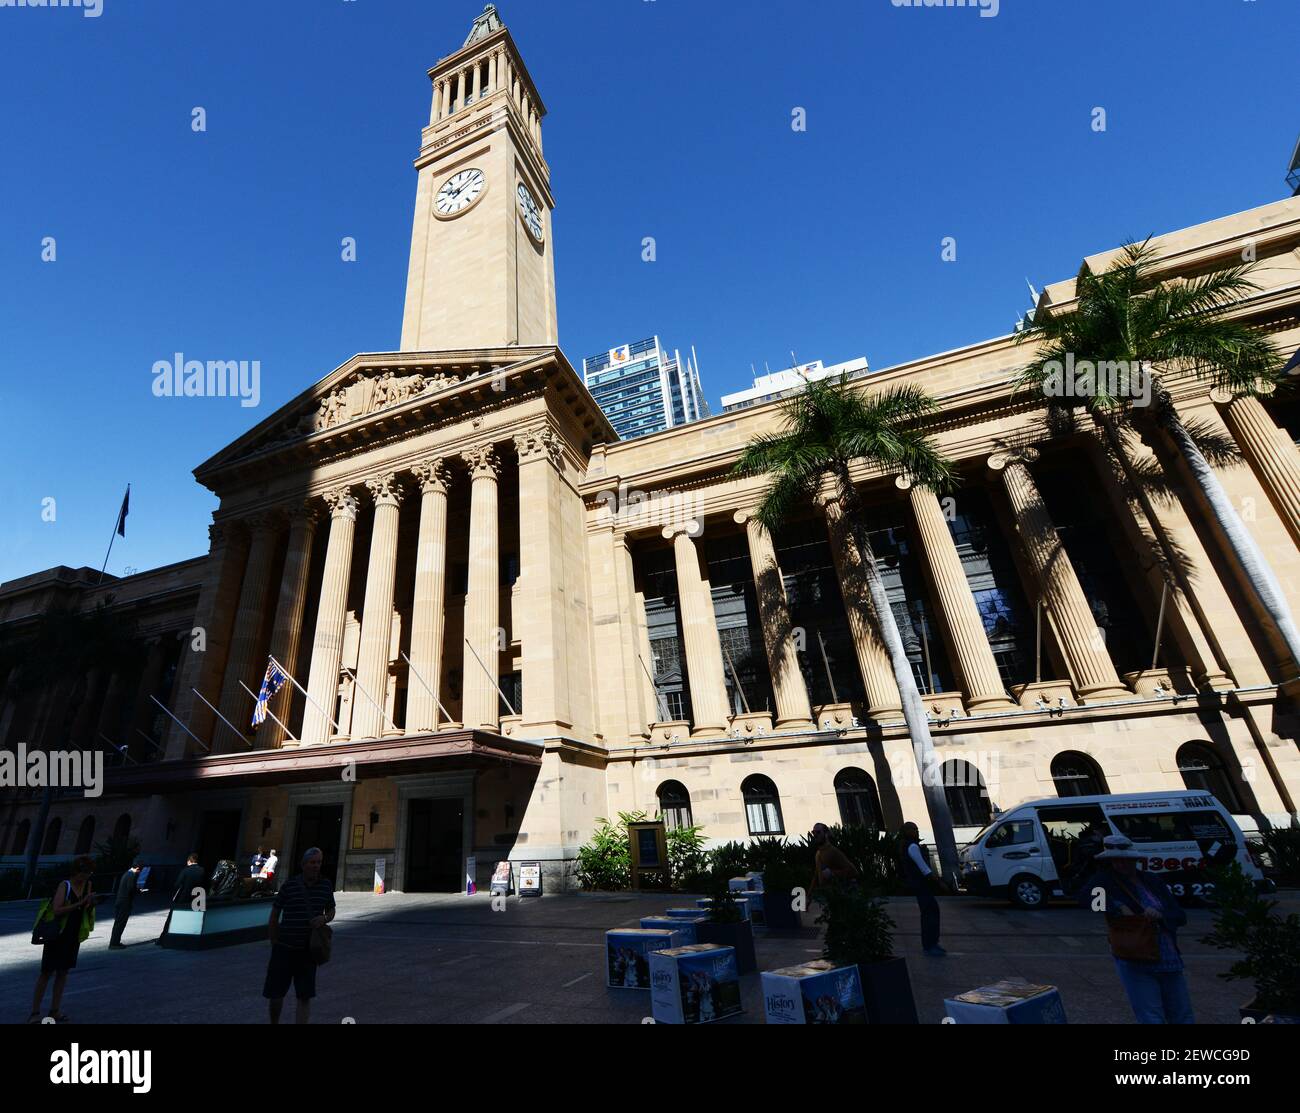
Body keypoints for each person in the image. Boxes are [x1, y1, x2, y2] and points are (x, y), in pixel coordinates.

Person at [1090, 834, 1194, 1024]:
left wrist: (1161, 916)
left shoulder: (1152, 880)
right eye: (1116, 861)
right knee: (1151, 1015)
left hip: (1167, 954)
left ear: (1134, 860)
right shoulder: (1104, 881)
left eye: (1126, 860)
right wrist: (1116, 906)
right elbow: (1087, 900)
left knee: (1182, 1013)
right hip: (1134, 955)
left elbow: (1179, 915)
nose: (1122, 865)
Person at [263, 847, 335, 1024]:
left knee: (304, 996)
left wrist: (324, 918)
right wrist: (274, 941)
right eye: (312, 862)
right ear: (303, 865)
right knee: (276, 995)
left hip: (307, 951)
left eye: (318, 862)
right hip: (284, 948)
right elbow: (274, 913)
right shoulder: (289, 885)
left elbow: (331, 909)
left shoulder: (325, 885)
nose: (316, 866)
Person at [28, 855, 96, 1023]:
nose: (86, 877)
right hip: (58, 935)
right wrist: (79, 904)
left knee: (63, 973)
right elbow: (57, 910)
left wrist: (91, 903)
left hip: (73, 935)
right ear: (76, 872)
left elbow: (85, 908)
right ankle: (35, 1013)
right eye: (83, 873)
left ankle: (54, 1010)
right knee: (46, 972)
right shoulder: (64, 885)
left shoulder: (88, 885)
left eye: (89, 873)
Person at [899, 822, 949, 957]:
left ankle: (931, 943)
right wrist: (938, 882)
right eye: (914, 829)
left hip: (917, 884)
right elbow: (924, 868)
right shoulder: (913, 846)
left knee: (929, 911)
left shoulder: (906, 846)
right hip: (921, 884)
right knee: (930, 912)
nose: (917, 831)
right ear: (907, 831)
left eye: (917, 828)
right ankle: (930, 944)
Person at [809, 823, 861, 891]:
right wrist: (808, 895)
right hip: (828, 893)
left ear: (826, 834)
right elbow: (816, 874)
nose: (815, 835)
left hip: (840, 893)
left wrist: (832, 873)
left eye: (818, 832)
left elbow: (853, 872)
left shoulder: (833, 851)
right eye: (813, 832)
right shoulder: (818, 853)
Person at [109, 858, 143, 949]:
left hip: (120, 901)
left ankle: (115, 942)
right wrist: (138, 890)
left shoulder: (127, 873)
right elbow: (130, 889)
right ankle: (114, 944)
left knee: (118, 923)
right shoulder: (131, 875)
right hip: (124, 902)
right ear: (138, 868)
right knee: (120, 923)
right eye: (140, 870)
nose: (139, 873)